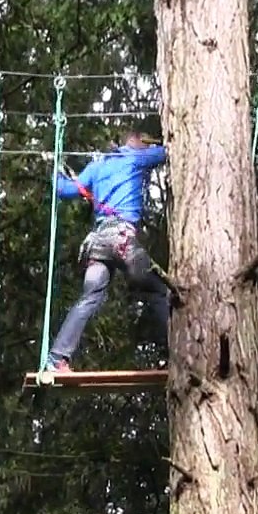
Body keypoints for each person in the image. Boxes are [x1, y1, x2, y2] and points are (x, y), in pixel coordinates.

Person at [44, 130, 170, 373]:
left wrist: (55, 171)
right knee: (158, 289)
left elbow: (64, 190)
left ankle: (56, 358)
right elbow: (167, 153)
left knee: (90, 297)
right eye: (142, 144)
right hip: (122, 240)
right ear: (133, 143)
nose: (145, 148)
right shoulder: (134, 158)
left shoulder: (97, 167)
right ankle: (178, 355)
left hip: (98, 242)